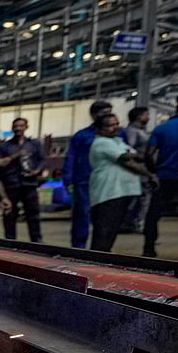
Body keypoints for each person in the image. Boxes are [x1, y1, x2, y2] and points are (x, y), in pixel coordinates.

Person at [89, 114, 156, 252]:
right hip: (108, 193)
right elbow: (126, 159)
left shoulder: (118, 141)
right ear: (99, 129)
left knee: (111, 231)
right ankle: (97, 259)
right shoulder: (102, 142)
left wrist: (137, 157)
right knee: (104, 233)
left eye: (116, 124)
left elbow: (133, 158)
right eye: (110, 125)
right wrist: (149, 174)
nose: (115, 127)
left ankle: (103, 257)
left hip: (119, 192)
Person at [63, 101, 125, 248]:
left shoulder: (119, 135)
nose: (107, 116)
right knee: (82, 216)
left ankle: (101, 250)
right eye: (104, 113)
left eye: (109, 112)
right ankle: (79, 249)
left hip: (110, 183)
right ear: (93, 115)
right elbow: (71, 157)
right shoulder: (82, 136)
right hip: (85, 182)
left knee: (107, 218)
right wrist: (68, 180)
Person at [0, 118, 46, 242]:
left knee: (33, 215)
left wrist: (37, 171)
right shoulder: (4, 146)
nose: (18, 128)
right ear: (12, 128)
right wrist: (16, 156)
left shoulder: (34, 144)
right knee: (9, 215)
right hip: (11, 184)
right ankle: (10, 242)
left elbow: (42, 160)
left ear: (26, 127)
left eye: (21, 126)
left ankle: (36, 242)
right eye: (16, 126)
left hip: (29, 184)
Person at [144, 106, 178, 257]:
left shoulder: (161, 129)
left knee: (153, 214)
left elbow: (149, 154)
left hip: (165, 176)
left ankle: (148, 247)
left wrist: (153, 172)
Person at [125, 107, 152, 233]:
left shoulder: (141, 131)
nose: (148, 117)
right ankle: (133, 222)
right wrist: (139, 158)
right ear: (139, 116)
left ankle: (134, 222)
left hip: (142, 169)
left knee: (142, 197)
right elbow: (128, 149)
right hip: (137, 170)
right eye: (146, 115)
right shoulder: (132, 131)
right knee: (139, 197)